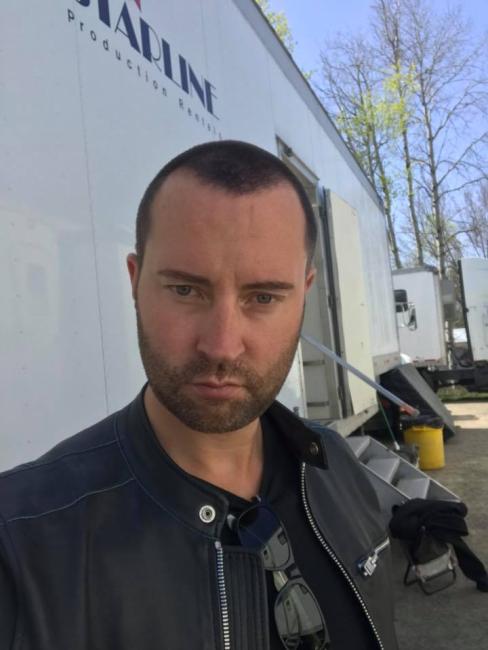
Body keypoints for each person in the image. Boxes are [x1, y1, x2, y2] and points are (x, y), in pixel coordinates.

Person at [0, 141, 398, 649]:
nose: (222, 346)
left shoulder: (336, 469)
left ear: (305, 292)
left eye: (263, 297)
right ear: (135, 282)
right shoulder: (21, 545)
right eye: (186, 290)